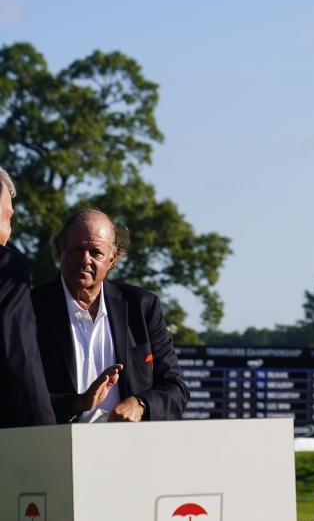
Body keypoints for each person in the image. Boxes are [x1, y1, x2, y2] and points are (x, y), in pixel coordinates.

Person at [32, 209, 188, 423]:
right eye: (77, 249)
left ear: (112, 259)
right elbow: (15, 392)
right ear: (60, 250)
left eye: (96, 252)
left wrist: (140, 404)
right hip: (56, 448)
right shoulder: (30, 308)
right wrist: (76, 404)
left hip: (127, 449)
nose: (85, 259)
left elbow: (176, 389)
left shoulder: (141, 307)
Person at [0, 168, 56, 428]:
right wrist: (45, 434)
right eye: (7, 217)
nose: (9, 231)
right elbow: (19, 357)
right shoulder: (6, 266)